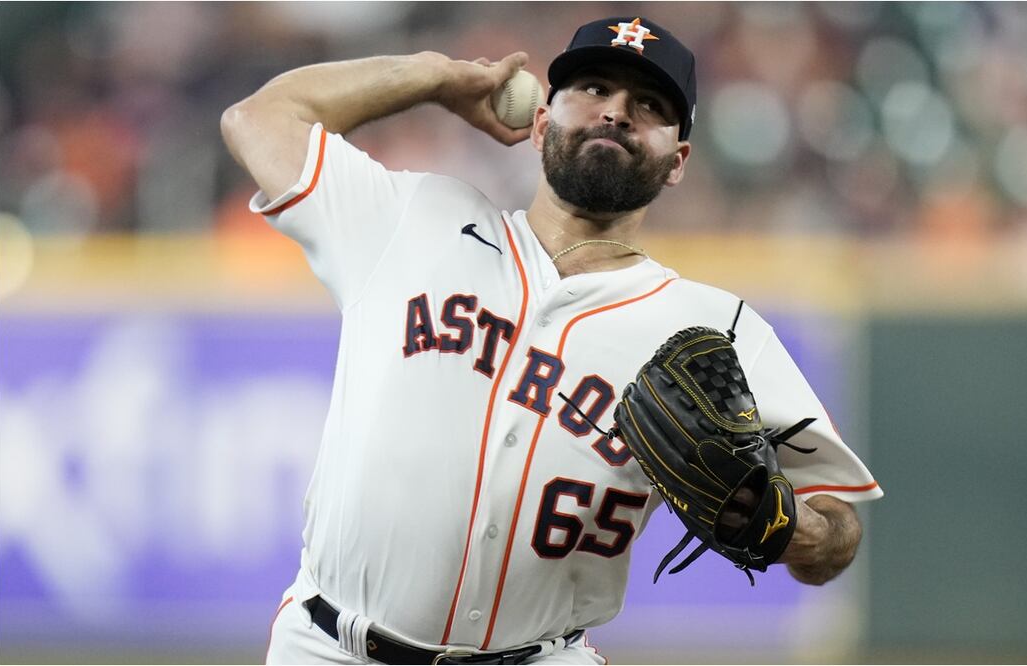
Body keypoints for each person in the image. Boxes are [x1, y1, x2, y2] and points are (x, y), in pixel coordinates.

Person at [222, 16, 882, 665]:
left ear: (677, 161)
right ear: (541, 121)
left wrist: (788, 527)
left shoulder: (717, 330)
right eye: (592, 89)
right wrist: (431, 77)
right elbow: (257, 120)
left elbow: (839, 532)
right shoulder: (411, 219)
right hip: (329, 647)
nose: (616, 113)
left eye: (648, 105)